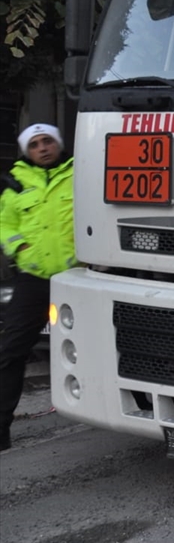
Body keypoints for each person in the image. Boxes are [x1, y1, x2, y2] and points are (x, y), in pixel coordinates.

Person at [0, 123, 76, 451]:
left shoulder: (82, 172)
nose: (42, 148)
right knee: (10, 352)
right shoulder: (15, 182)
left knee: (106, 347)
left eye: (48, 142)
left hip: (79, 278)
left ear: (58, 144)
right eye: (35, 144)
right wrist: (19, 249)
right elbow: (5, 224)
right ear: (26, 150)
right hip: (34, 279)